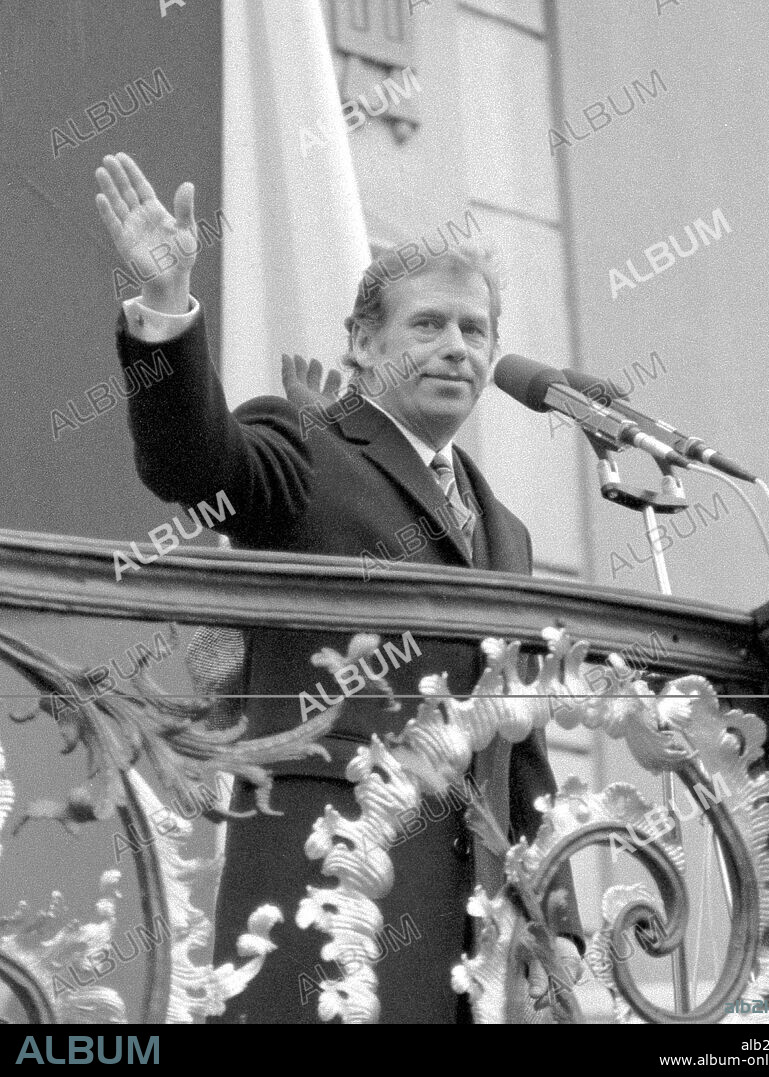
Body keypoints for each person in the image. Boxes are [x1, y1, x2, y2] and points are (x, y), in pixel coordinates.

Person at [96, 152, 581, 1023]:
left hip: (478, 926)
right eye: (427, 324)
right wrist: (168, 306)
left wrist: (558, 917)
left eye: (475, 331)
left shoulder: (507, 529)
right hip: (326, 873)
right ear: (362, 343)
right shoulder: (308, 444)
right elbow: (194, 461)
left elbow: (526, 739)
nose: (455, 348)